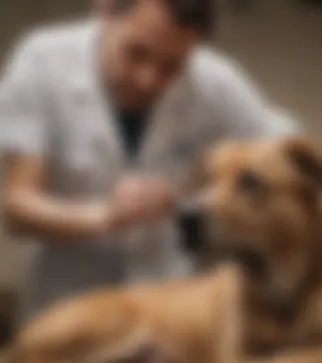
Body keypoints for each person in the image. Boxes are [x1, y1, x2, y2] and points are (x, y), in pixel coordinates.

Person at [0, 0, 297, 323]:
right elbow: (18, 207)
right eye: (136, 53)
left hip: (168, 297)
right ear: (105, 10)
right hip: (66, 298)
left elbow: (287, 148)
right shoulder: (43, 61)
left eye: (173, 65)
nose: (150, 80)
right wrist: (106, 216)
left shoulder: (213, 81)